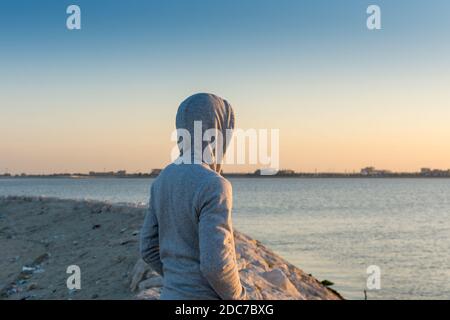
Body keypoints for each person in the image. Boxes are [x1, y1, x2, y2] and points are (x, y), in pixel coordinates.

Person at [140, 93, 247, 300]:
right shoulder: (214, 184)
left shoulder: (162, 179)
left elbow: (147, 248)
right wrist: (240, 298)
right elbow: (216, 265)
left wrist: (177, 280)